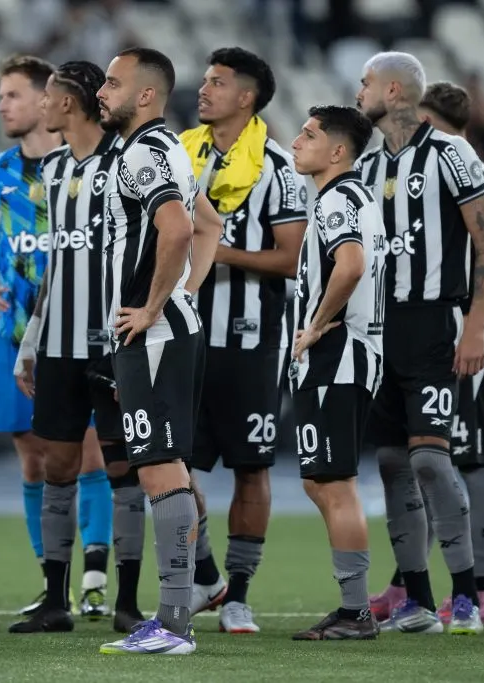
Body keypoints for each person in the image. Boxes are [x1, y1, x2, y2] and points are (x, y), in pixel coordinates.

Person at [0, 54, 112, 615]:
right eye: (0, 96)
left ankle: (95, 575)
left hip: (78, 333)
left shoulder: (87, 167)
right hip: (16, 331)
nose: (2, 105)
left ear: (50, 100)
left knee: (89, 451)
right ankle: (56, 581)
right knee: (32, 458)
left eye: (13, 95)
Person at [355, 52, 484, 635]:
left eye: (366, 83)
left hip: (434, 324)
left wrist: (475, 324)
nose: (358, 91)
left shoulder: (451, 153)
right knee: (392, 462)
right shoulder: (366, 168)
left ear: (393, 91)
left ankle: (464, 597)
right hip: (379, 329)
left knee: (430, 460)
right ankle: (415, 601)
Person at [179, 47, 307, 632]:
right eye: (206, 80)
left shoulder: (278, 167)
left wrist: (212, 249)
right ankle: (206, 576)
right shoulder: (179, 155)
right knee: (172, 463)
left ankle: (240, 595)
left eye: (218, 82)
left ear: (247, 97)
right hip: (183, 333)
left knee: (251, 469)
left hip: (252, 337)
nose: (204, 90)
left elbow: (291, 259)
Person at [6, 60, 129, 633]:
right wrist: (31, 339)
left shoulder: (126, 162)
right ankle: (55, 598)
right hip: (57, 345)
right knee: (57, 465)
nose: (41, 106)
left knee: (124, 468)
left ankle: (126, 601)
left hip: (114, 343)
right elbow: (57, 262)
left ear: (71, 105)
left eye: (49, 97)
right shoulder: (52, 168)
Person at [94, 47, 206, 656]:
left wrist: (155, 306)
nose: (101, 92)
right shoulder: (161, 150)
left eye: (112, 83)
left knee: (160, 469)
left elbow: (183, 229)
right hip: (156, 331)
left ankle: (175, 623)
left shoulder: (143, 153)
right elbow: (205, 224)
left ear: (145, 95)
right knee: (166, 470)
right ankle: (178, 611)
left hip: (154, 333)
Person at [286, 105, 384, 640]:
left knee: (334, 482)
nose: (298, 141)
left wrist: (316, 326)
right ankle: (354, 605)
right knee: (319, 479)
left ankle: (356, 612)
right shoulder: (348, 197)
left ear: (338, 152)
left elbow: (350, 265)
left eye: (309, 134)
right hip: (345, 354)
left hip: (339, 353)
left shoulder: (339, 199)